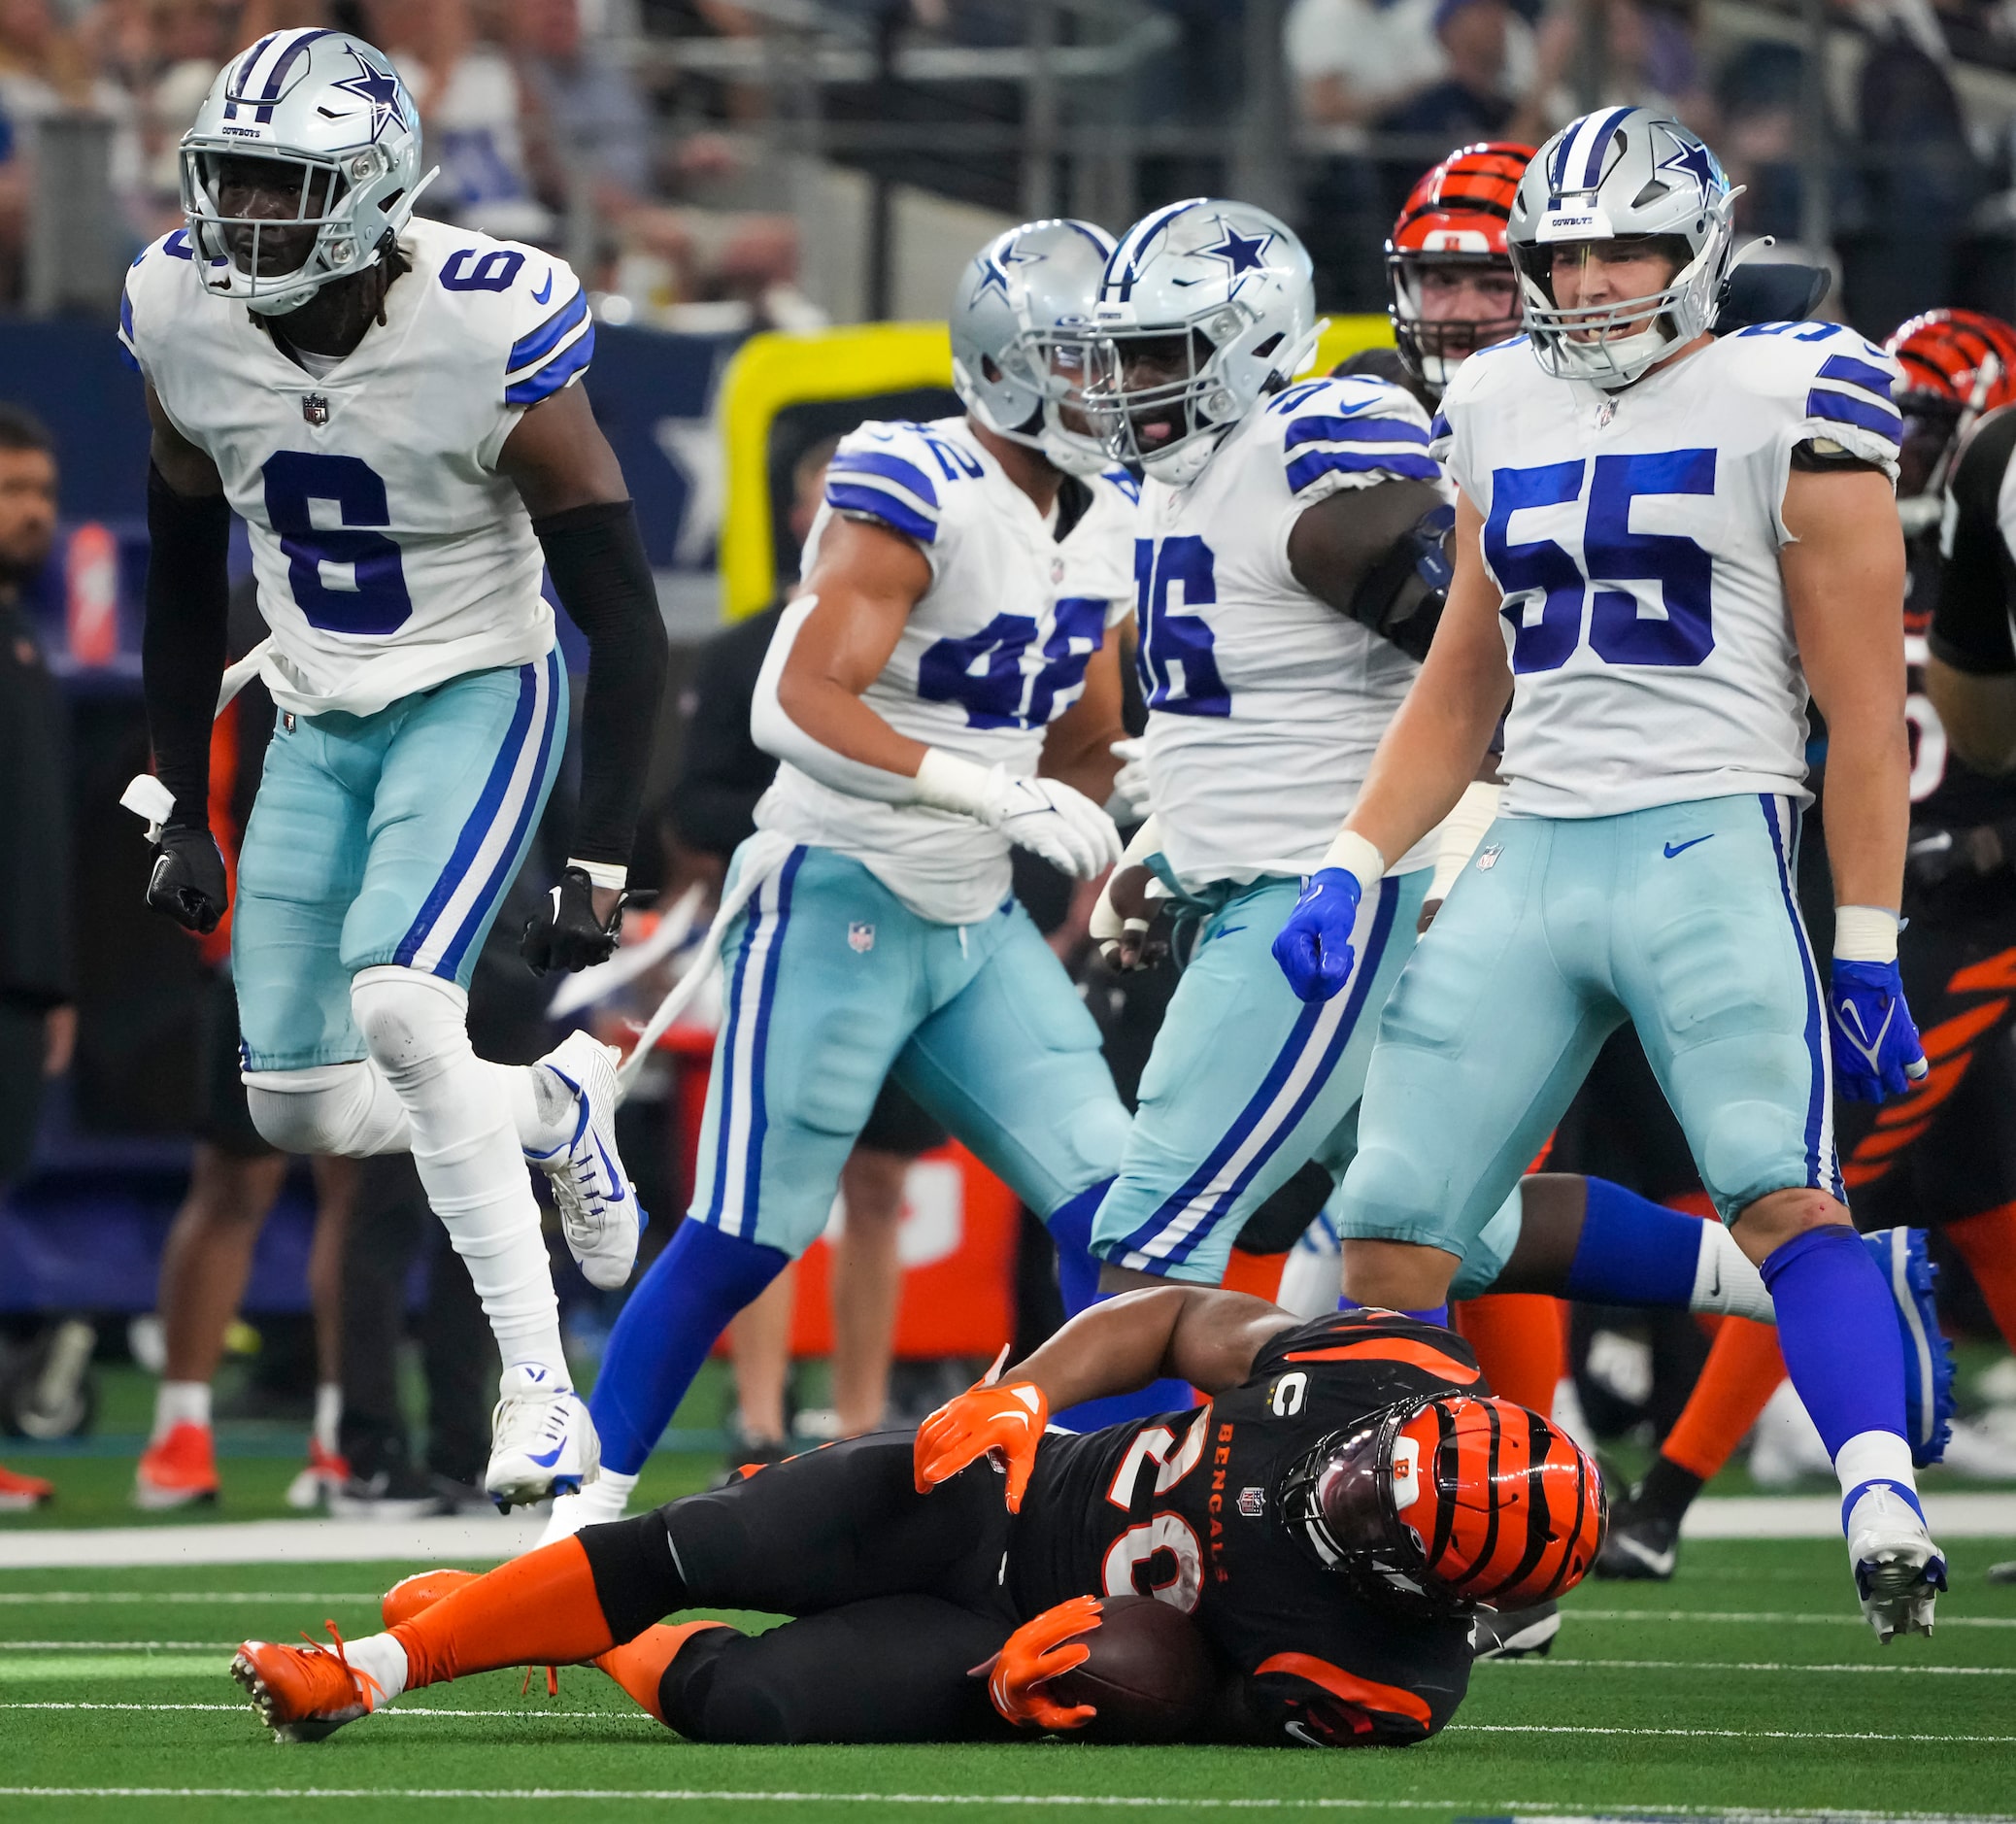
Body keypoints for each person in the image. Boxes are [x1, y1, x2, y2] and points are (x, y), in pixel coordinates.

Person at [1273, 106, 1944, 1638]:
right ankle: (1465, 1540)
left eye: (1625, 248)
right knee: (1395, 1219)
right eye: (1565, 256)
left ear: (1701, 246)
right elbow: (1461, 683)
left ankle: (1878, 1487)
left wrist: (1864, 942)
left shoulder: (1799, 391)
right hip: (1534, 842)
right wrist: (1353, 857)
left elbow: (1858, 716)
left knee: (1778, 1188)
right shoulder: (1497, 397)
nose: (1592, 284)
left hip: (1715, 832)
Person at [122, 27, 667, 1508]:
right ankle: (553, 1108)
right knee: (295, 1101)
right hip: (315, 705)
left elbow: (624, 613)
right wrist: (179, 788)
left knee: (404, 1009)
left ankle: (543, 1390)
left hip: (478, 683)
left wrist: (601, 851)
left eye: (281, 188)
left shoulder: (490, 324)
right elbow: (179, 567)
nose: (243, 219)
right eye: (228, 180)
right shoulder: (180, 308)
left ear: (371, 192)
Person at [541, 218, 1139, 1540]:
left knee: (1119, 1218)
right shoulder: (918, 480)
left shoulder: (1109, 520)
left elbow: (1090, 735)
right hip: (837, 894)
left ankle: (1086, 1514)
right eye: (1088, 361)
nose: (1117, 385)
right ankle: (581, 1505)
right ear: (1007, 362)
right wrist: (987, 786)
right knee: (749, 1229)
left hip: (974, 916)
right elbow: (793, 703)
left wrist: (1128, 793)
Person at [229, 1291, 1601, 1747]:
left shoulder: (1384, 1682)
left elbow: (1189, 1701)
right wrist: (1022, 1395)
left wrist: (1060, 1684)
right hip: (1003, 1481)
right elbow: (1176, 1315)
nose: (1338, 1478)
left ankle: (582, 1640)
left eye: (1366, 1513)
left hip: (1008, 1633)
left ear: (1422, 1587)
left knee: (743, 1704)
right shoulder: (1399, 1371)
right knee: (705, 1545)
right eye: (1372, 1459)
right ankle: (367, 1670)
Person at [1601, 308, 2016, 1575]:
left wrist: (1991, 852)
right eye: (1897, 419)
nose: (1904, 443)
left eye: (1932, 423)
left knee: (1811, 1196)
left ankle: (1665, 1499)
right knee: (1990, 1209)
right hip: (1878, 922)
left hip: (1972, 928)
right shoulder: (1834, 540)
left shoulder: (1983, 556)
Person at [665, 434, 953, 1462]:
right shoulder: (751, 648)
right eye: (824, 499)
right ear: (798, 516)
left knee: (878, 1186)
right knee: (770, 1191)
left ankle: (865, 1421)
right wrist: (825, 806)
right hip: (792, 930)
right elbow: (690, 804)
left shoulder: (932, 640)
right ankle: (760, 1415)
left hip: (909, 928)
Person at [0, 402, 68, 1514]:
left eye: (43, 494)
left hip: (18, 979)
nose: (31, 515)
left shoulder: (25, 637)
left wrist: (52, 981)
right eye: (12, 491)